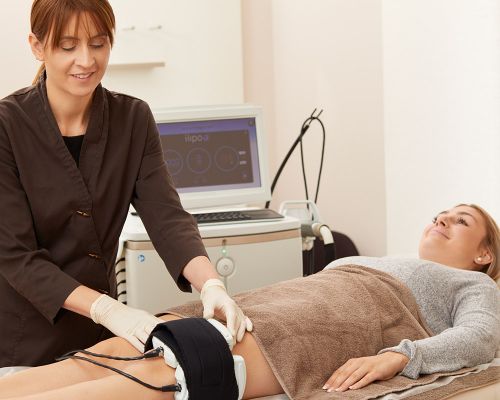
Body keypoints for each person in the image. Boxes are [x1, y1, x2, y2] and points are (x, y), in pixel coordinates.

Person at [0, 203, 498, 399]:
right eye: (441, 212)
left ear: (484, 253)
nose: (442, 218)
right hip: (290, 297)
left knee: (173, 367)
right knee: (119, 349)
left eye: (461, 220)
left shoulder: (477, 287)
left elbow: (481, 338)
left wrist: (400, 356)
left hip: (345, 315)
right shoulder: (381, 255)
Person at [0, 0, 251, 368]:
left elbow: (167, 217)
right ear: (37, 46)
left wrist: (211, 285)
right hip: (26, 337)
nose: (86, 60)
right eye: (68, 46)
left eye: (98, 44)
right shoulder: (8, 126)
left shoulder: (132, 118)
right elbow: (16, 256)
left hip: (101, 338)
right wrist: (107, 309)